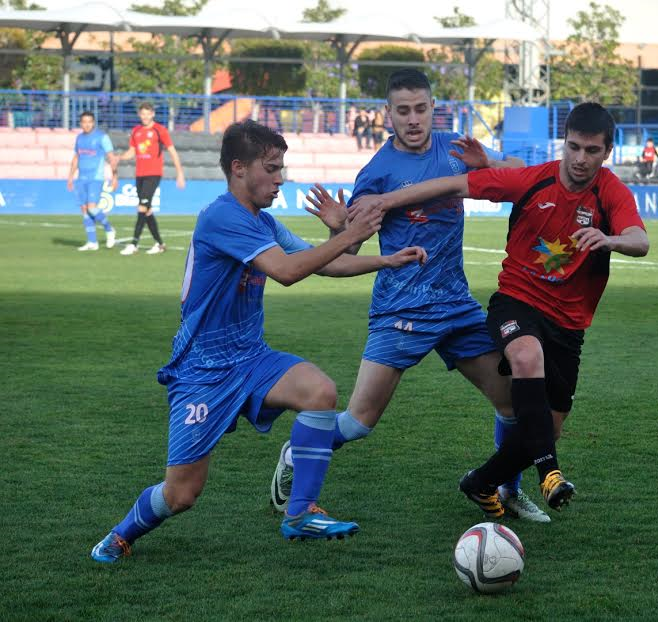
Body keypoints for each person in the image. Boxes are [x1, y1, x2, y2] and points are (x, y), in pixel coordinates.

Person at [90, 120, 427, 564]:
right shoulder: (222, 216)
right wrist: (349, 235)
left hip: (250, 358)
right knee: (181, 494)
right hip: (203, 372)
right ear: (239, 169)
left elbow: (321, 264)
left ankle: (300, 511)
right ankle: (118, 536)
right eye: (271, 168)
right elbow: (287, 273)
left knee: (319, 391)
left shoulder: (260, 221)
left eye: (281, 167)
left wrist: (383, 257)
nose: (280, 178)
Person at [270, 69, 553, 523]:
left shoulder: (458, 149)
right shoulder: (377, 173)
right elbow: (352, 248)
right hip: (400, 311)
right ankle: (297, 450)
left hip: (456, 307)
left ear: (433, 108)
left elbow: (533, 179)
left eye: (421, 109)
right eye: (403, 111)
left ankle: (508, 489)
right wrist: (337, 226)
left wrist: (488, 161)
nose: (414, 119)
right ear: (388, 114)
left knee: (512, 403)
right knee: (359, 422)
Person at [350, 102, 649, 518]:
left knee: (548, 427)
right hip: (517, 301)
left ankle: (482, 482)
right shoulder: (533, 180)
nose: (581, 159)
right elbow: (453, 186)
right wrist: (385, 200)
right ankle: (550, 473)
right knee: (527, 356)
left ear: (607, 152)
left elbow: (640, 240)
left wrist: (610, 239)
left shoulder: (610, 192)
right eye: (574, 147)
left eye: (592, 151)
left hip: (568, 324)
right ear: (563, 143)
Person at [118, 102, 186, 255]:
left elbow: (172, 151)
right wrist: (119, 158)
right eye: (142, 114)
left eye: (148, 114)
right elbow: (131, 152)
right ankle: (160, 244)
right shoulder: (136, 131)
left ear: (153, 114)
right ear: (139, 115)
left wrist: (179, 173)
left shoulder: (160, 130)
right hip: (139, 174)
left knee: (141, 207)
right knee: (147, 210)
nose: (145, 116)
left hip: (153, 174)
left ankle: (133, 243)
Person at [67, 111, 118, 251]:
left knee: (92, 208)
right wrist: (71, 176)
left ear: (93, 122)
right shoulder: (79, 138)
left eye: (89, 121)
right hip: (81, 178)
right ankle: (92, 242)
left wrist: (115, 177)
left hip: (95, 177)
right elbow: (76, 157)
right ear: (80, 123)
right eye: (84, 122)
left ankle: (109, 229)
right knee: (84, 210)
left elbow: (111, 158)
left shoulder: (102, 137)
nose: (87, 124)